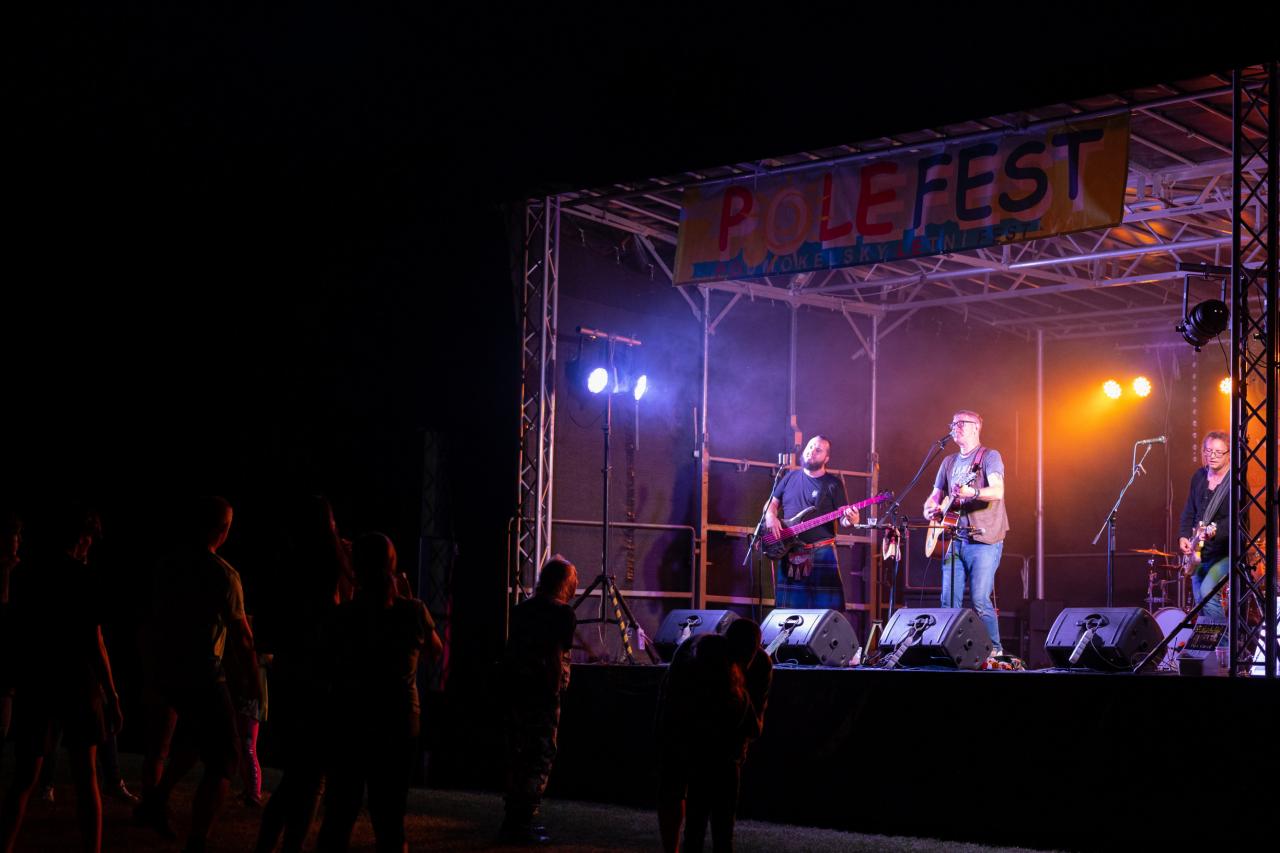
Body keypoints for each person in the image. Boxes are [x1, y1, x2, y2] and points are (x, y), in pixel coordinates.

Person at [134, 496, 261, 853]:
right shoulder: (224, 575)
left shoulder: (167, 564)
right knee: (226, 758)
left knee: (193, 740)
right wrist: (253, 680)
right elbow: (243, 637)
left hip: (168, 668)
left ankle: (156, 799)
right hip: (203, 673)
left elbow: (154, 616)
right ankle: (198, 839)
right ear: (222, 530)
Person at [0, 506, 123, 853]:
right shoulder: (85, 579)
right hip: (78, 683)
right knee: (87, 779)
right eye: (90, 540)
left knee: (24, 779)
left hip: (38, 682)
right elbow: (95, 642)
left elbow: (16, 629)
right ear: (83, 538)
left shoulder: (28, 574)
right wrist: (112, 694)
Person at [315, 533, 442, 852]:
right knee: (390, 819)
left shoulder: (345, 616)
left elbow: (327, 662)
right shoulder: (413, 611)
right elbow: (436, 651)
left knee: (340, 814)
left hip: (352, 719)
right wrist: (411, 602)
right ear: (393, 566)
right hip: (400, 721)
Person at [657, 618, 771, 853]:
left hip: (723, 746)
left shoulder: (760, 665)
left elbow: (754, 727)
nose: (743, 663)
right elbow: (674, 709)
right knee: (679, 793)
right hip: (685, 729)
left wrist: (737, 743)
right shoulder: (696, 657)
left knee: (715, 818)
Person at [500, 555, 578, 845]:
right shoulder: (563, 613)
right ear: (564, 582)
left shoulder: (522, 610)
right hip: (544, 692)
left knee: (518, 753)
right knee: (540, 755)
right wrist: (555, 689)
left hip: (517, 691)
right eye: (574, 579)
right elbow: (556, 654)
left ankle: (512, 818)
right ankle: (524, 822)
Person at [923, 410, 1010, 656]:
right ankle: (949, 649)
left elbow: (997, 491)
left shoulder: (989, 456)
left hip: (984, 538)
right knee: (948, 600)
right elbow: (935, 496)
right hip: (954, 538)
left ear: (976, 427)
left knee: (980, 599)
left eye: (961, 423)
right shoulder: (948, 462)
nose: (955, 427)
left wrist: (973, 493)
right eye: (953, 423)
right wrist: (930, 508)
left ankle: (994, 650)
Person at [763, 435, 859, 609]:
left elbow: (843, 519)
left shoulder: (833, 484)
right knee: (789, 613)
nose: (812, 452)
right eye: (810, 447)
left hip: (822, 551)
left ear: (826, 458)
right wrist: (770, 517)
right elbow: (772, 504)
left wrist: (852, 519)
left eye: (818, 450)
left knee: (827, 613)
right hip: (792, 552)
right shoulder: (789, 477)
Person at [1178, 430, 1231, 623]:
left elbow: (1238, 520)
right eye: (1208, 451)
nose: (1212, 456)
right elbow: (1189, 511)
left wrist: (1215, 532)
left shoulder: (1235, 481)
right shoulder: (1199, 477)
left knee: (1207, 594)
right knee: (1200, 601)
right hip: (1199, 553)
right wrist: (1184, 536)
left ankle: (1224, 641)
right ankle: (1209, 640)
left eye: (1218, 452)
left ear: (1229, 454)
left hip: (1225, 553)